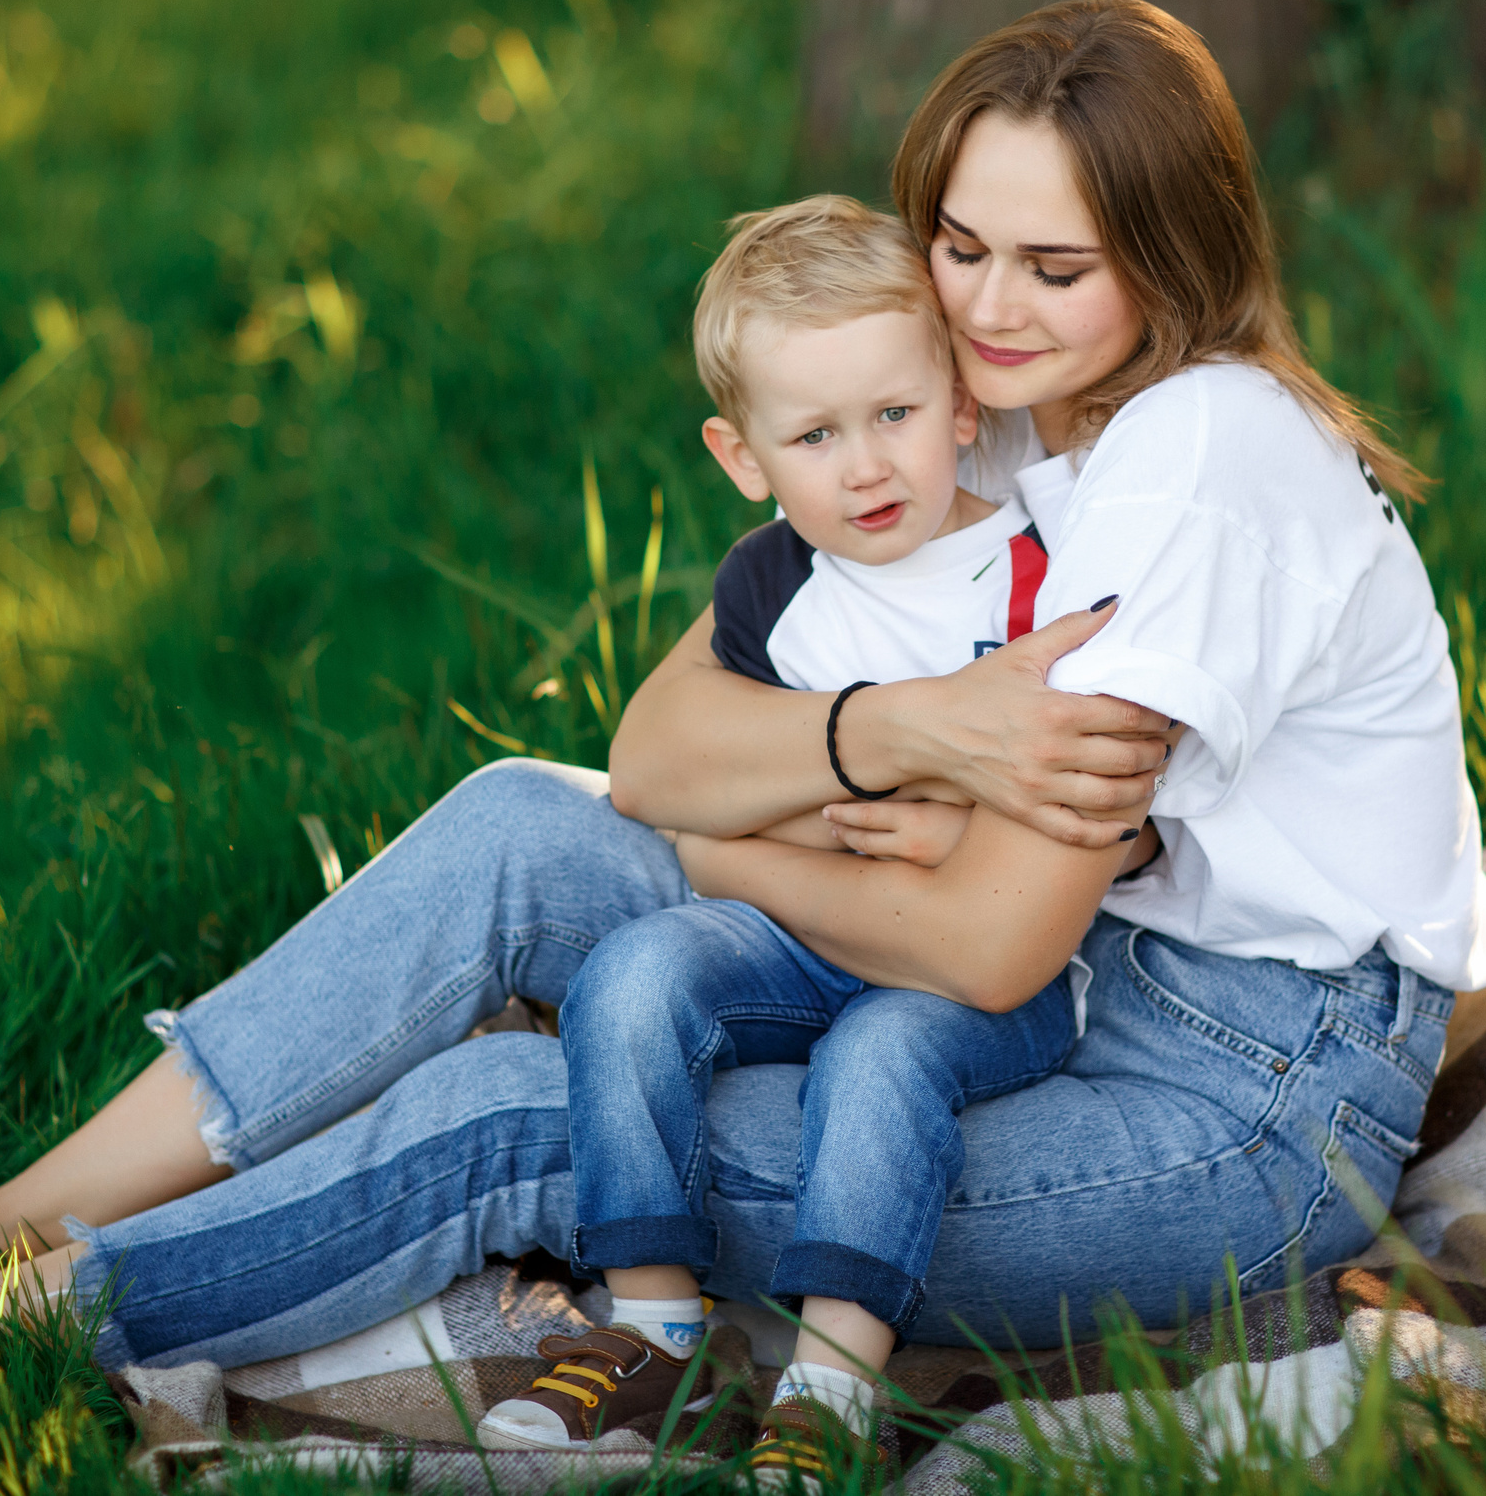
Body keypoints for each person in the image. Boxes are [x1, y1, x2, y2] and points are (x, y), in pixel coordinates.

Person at [0, 0, 1486, 1484]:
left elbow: (984, 941)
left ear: (1170, 260)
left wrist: (744, 842)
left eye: (1057, 263)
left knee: (531, 1108)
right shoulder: (1001, 412)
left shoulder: (1197, 460)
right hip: (1084, 974)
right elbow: (656, 742)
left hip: (1233, 1112)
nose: (986, 305)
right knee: (519, 822)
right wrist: (890, 726)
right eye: (960, 243)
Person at [474, 193, 1153, 1467]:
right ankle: (657, 1328)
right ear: (743, 457)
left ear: (964, 405)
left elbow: (1116, 813)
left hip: (988, 972)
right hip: (804, 933)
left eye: (895, 415)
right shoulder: (767, 588)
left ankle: (832, 1392)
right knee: (634, 973)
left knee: (884, 1055)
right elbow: (679, 778)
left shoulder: (1042, 574)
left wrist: (955, 824)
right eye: (815, 435)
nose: (864, 466)